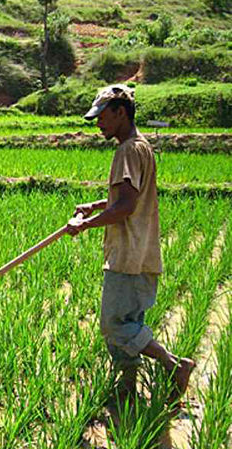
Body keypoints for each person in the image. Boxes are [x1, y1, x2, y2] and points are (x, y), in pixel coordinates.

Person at [65, 85, 195, 404]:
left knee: (114, 326)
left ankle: (175, 364)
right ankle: (126, 388)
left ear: (120, 111)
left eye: (102, 116)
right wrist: (96, 207)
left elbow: (125, 206)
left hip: (129, 257)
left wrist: (84, 225)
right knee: (127, 325)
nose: (97, 124)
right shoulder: (140, 146)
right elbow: (126, 197)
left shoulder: (127, 150)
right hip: (138, 253)